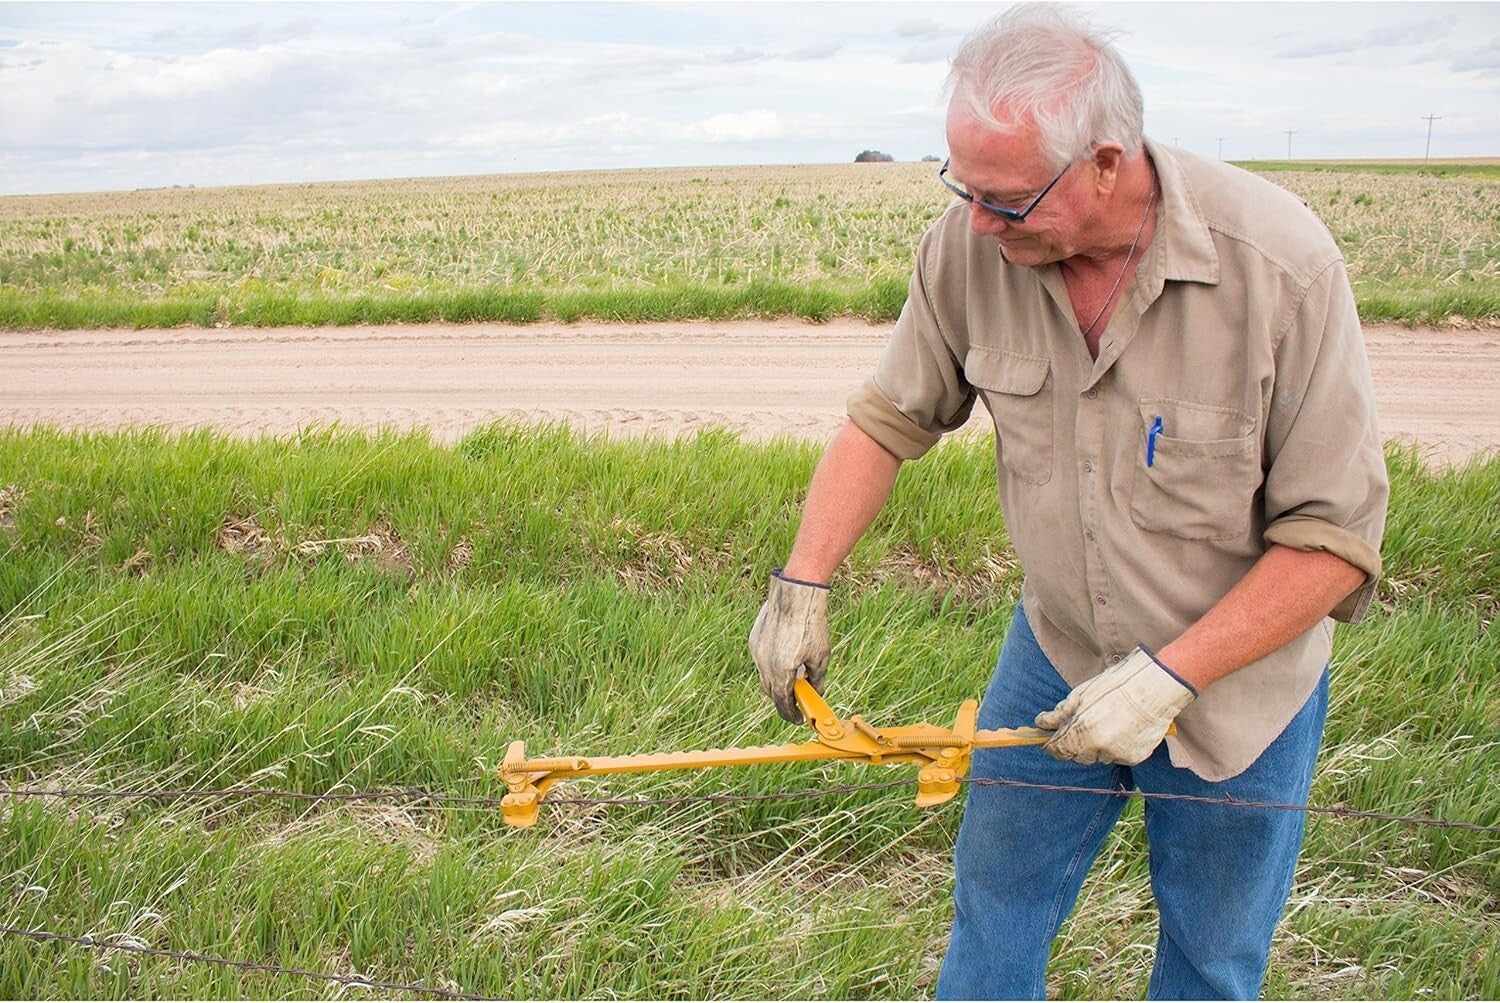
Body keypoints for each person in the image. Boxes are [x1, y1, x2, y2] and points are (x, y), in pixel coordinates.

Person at [747, 5, 1389, 999]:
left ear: (1103, 159)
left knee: (1212, 956)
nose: (977, 224)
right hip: (1057, 650)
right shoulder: (971, 250)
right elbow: (886, 421)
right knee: (994, 908)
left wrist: (1174, 674)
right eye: (964, 188)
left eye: (1006, 201)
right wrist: (802, 581)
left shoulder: (1281, 268)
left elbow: (1336, 540)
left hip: (1241, 690)